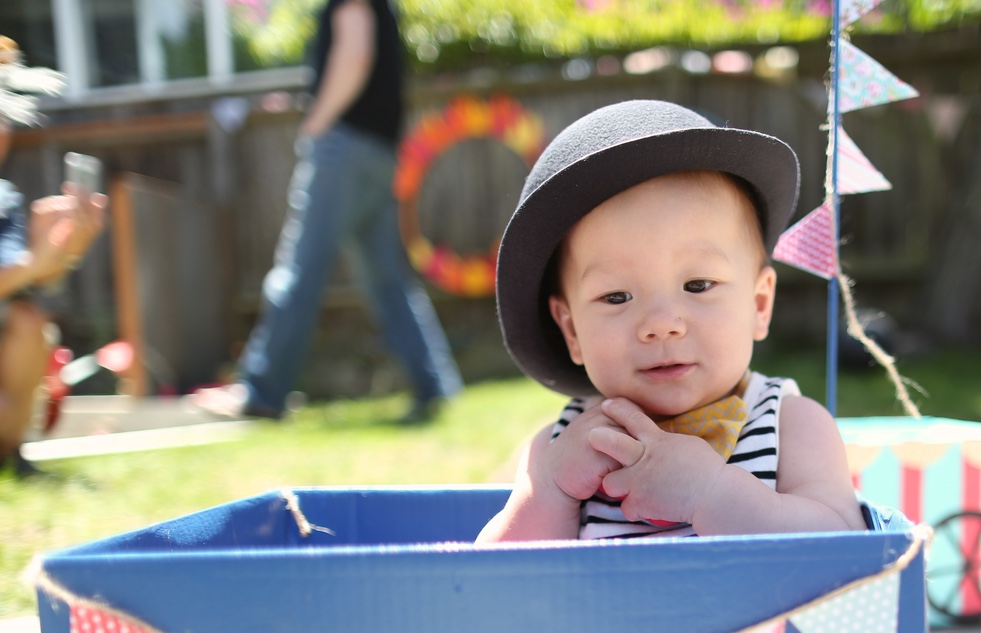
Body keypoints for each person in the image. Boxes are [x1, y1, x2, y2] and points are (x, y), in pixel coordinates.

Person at [477, 100, 866, 542]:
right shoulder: (560, 447)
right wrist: (549, 493)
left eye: (698, 285)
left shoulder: (790, 424)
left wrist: (711, 493)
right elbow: (489, 573)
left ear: (759, 304)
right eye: (616, 296)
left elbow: (846, 543)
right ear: (571, 330)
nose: (661, 324)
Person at [194, 0, 460, 422]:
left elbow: (355, 56)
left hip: (344, 150)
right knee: (389, 282)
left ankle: (262, 392)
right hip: (379, 153)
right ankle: (435, 385)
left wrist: (317, 122)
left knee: (299, 271)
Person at [0, 37, 107, 477]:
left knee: (28, 319)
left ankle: (10, 453)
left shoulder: (4, 199)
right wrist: (34, 263)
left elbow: (23, 284)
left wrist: (65, 249)